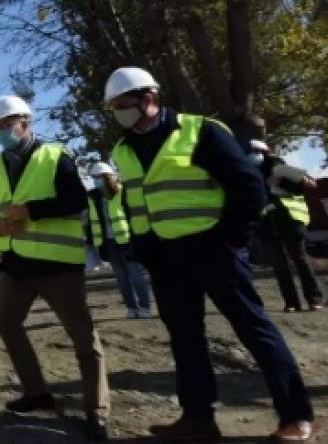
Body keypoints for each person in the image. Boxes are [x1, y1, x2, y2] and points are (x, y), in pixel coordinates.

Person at [104, 67, 316, 442]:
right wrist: (145, 249)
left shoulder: (201, 131)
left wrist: (230, 241)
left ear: (148, 99)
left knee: (255, 330)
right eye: (114, 107)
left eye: (123, 104)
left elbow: (249, 189)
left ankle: (296, 416)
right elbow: (137, 204)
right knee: (185, 340)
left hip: (214, 251)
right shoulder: (123, 149)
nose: (118, 113)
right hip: (167, 259)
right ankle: (198, 418)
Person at [0, 95, 109, 441]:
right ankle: (36, 392)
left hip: (57, 264)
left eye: (8, 124)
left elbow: (75, 200)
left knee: (83, 336)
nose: (3, 131)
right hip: (16, 263)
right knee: (6, 322)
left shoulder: (55, 155)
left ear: (26, 122)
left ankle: (97, 409)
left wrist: (31, 211)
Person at [249, 140, 323, 313]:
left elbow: (307, 184)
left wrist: (278, 181)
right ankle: (291, 302)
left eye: (255, 151)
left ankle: (314, 299)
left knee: (300, 259)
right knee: (278, 264)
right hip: (265, 224)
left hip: (289, 220)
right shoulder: (246, 172)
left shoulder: (278, 167)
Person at [86, 162, 153, 318]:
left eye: (98, 177)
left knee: (136, 275)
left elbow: (132, 216)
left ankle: (144, 308)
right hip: (108, 243)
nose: (96, 180)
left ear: (107, 177)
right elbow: (92, 222)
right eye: (94, 177)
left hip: (127, 241)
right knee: (121, 278)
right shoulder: (93, 198)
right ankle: (131, 308)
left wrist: (137, 239)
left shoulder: (122, 193)